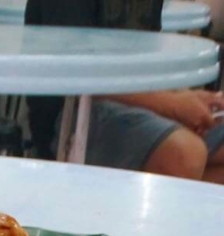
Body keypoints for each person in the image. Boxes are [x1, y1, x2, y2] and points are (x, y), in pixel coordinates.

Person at [25, 0, 224, 183]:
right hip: (70, 112)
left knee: (192, 153)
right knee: (185, 154)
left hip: (129, 101)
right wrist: (171, 104)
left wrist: (183, 97)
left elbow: (143, 61)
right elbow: (74, 69)